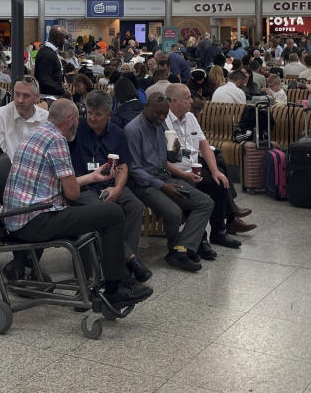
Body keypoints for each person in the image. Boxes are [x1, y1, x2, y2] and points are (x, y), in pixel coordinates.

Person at [2, 99, 153, 308]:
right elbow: (72, 194)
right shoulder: (57, 140)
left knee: (103, 214)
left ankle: (117, 281)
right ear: (71, 120)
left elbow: (64, 185)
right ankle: (114, 289)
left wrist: (92, 177)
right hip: (36, 219)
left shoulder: (37, 133)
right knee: (112, 213)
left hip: (20, 217)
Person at [125, 93, 215, 271]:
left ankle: (180, 249)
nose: (161, 117)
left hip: (163, 176)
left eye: (165, 114)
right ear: (146, 108)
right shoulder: (133, 129)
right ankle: (178, 250)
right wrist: (163, 186)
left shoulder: (160, 125)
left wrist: (175, 152)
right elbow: (135, 170)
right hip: (144, 184)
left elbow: (167, 158)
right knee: (173, 212)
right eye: (158, 113)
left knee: (205, 202)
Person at [68, 90, 151, 282]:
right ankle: (128, 261)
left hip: (110, 185)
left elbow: (123, 165)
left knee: (135, 207)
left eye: (98, 114)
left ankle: (121, 263)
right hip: (84, 187)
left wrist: (118, 189)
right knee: (105, 211)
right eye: (89, 112)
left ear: (109, 114)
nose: (92, 118)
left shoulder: (116, 133)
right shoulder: (76, 129)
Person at [164, 83, 253, 241]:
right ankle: (201, 238)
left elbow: (204, 144)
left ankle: (219, 232)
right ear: (174, 101)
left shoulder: (190, 117)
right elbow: (162, 159)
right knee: (195, 190)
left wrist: (214, 171)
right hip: (175, 171)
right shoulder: (163, 121)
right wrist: (185, 174)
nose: (191, 101)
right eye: (187, 98)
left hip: (193, 165)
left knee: (218, 180)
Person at [0, 76, 48, 157]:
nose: (20, 100)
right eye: (17, 94)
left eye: (26, 96)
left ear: (37, 97)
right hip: (8, 169)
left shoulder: (46, 118)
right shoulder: (0, 116)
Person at [34, 25, 68, 98]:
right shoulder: (47, 54)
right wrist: (62, 90)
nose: (65, 41)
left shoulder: (50, 51)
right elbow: (44, 79)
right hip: (49, 98)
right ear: (57, 38)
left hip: (52, 96)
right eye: (64, 38)